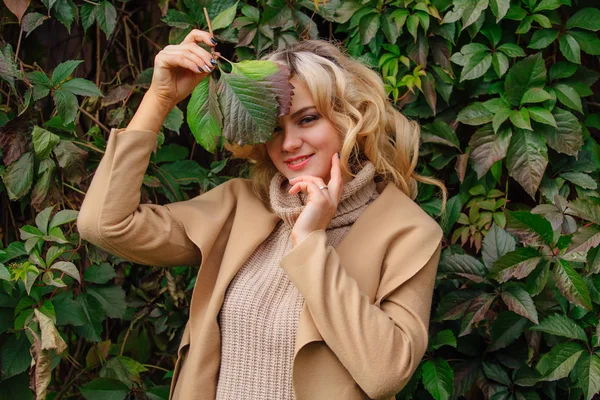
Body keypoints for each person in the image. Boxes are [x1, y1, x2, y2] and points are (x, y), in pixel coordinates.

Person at [77, 29, 447, 400]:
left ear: (350, 117)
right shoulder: (242, 206)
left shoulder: (407, 231)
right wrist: (160, 99)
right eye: (273, 127)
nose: (288, 144)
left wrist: (310, 242)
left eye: (307, 119)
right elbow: (106, 225)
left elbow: (385, 372)